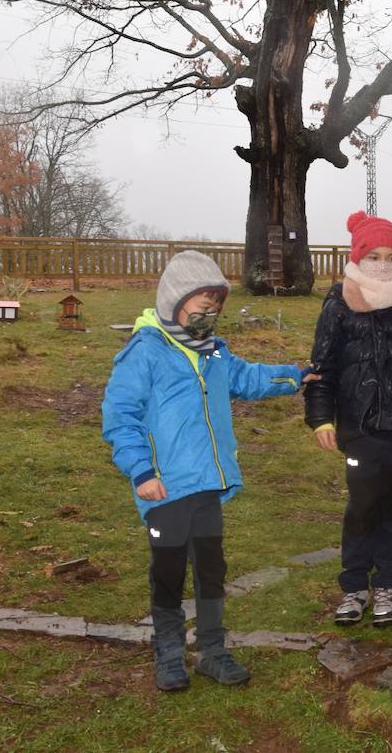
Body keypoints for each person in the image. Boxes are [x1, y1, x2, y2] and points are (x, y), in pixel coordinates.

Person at [102, 250, 310, 692]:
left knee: (211, 571)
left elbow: (249, 378)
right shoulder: (146, 352)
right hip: (165, 488)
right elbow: (121, 418)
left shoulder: (215, 354)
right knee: (168, 572)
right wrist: (142, 472)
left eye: (215, 309)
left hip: (208, 486)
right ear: (174, 302)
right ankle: (170, 652)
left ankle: (212, 652)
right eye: (201, 307)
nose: (208, 317)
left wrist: (295, 375)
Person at [305, 211, 392, 627]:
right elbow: (323, 367)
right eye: (374, 257)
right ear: (358, 258)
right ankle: (353, 586)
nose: (383, 265)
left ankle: (388, 583)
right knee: (363, 504)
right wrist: (321, 418)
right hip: (360, 426)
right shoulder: (338, 305)